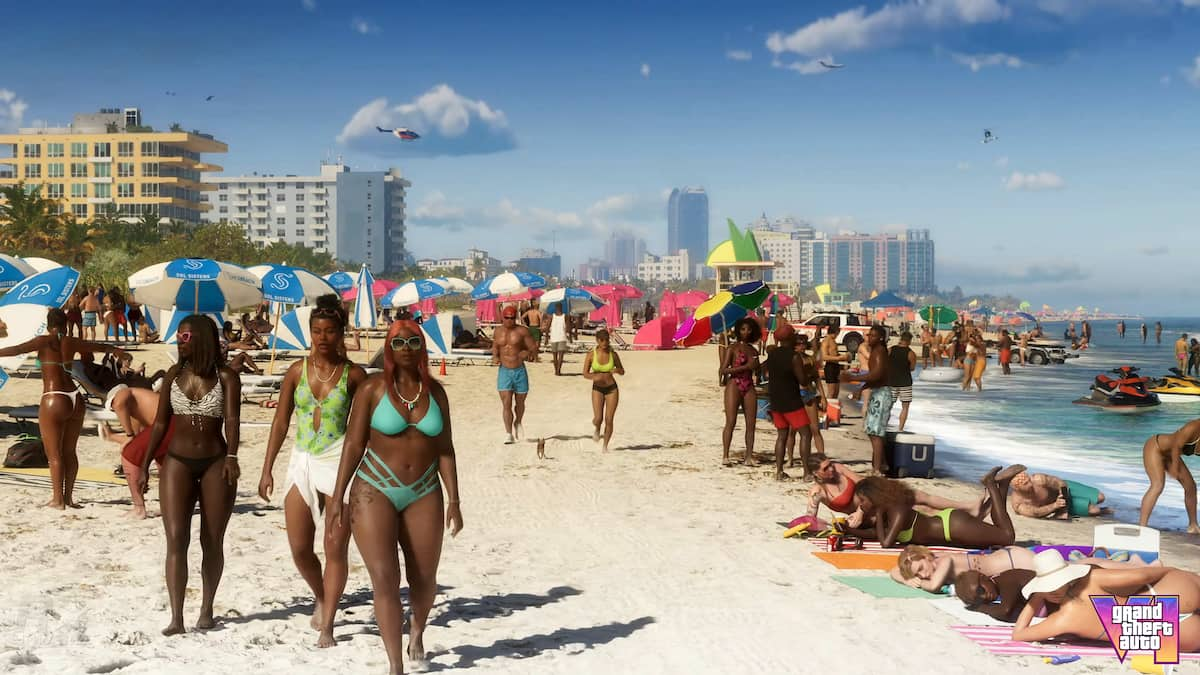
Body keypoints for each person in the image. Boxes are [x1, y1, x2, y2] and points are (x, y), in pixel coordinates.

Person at [328, 320, 463, 673]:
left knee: (425, 579)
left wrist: (455, 501)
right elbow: (354, 444)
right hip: (374, 487)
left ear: (423, 347)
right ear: (389, 348)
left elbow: (445, 449)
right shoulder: (372, 389)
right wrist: (338, 496)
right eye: (398, 342)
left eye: (413, 341)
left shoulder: (436, 393)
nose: (406, 347)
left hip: (424, 489)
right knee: (385, 577)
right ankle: (395, 664)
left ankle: (417, 629)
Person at [258, 295, 368, 646]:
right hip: (302, 458)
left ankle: (328, 623)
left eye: (330, 331)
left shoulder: (354, 375)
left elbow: (366, 426)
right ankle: (321, 595)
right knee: (299, 547)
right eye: (317, 331)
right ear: (310, 333)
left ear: (340, 334)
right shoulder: (295, 371)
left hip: (339, 460)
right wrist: (267, 468)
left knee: (334, 546)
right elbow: (280, 420)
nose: (322, 337)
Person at [137, 315, 241, 635]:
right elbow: (158, 424)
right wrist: (142, 464)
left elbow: (233, 421)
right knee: (176, 539)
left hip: (215, 461)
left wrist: (233, 457)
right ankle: (176, 617)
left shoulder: (226, 377)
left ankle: (207, 607)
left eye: (184, 337)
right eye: (178, 337)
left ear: (202, 339)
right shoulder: (172, 375)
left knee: (211, 540)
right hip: (177, 461)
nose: (179, 342)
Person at [0, 308, 127, 508]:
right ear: (66, 325)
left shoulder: (43, 341)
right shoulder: (72, 341)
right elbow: (99, 346)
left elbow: (16, 350)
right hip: (76, 399)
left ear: (49, 324)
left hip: (54, 397)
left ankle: (58, 500)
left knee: (54, 455)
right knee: (70, 452)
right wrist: (117, 351)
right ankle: (68, 498)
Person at [1014, 552, 1200, 652]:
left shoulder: (1061, 620)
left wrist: (1037, 597)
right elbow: (1142, 575)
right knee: (1180, 580)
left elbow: (1018, 634)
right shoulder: (1093, 579)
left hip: (1164, 633)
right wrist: (1170, 571)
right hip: (1165, 595)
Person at [850, 465, 1024, 553]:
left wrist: (878, 514)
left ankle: (992, 485)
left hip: (953, 526)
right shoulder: (890, 511)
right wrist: (849, 531)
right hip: (952, 530)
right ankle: (1003, 484)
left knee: (1007, 537)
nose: (861, 506)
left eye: (863, 501)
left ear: (874, 497)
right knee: (1000, 539)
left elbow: (886, 543)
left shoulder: (896, 509)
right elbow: (876, 534)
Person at [897, 540, 1141, 594]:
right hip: (1009, 560)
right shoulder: (936, 563)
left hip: (1014, 561)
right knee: (1073, 566)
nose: (923, 574)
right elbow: (892, 570)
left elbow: (934, 585)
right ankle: (1125, 566)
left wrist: (911, 581)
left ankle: (1132, 566)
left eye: (921, 568)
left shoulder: (944, 562)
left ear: (927, 557)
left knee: (1073, 567)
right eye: (918, 573)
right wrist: (906, 577)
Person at [807, 455, 985, 527]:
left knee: (920, 496)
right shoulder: (818, 491)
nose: (831, 469)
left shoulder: (838, 468)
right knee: (921, 511)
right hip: (866, 515)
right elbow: (810, 519)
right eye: (825, 468)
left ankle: (967, 507)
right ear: (816, 473)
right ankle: (966, 521)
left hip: (869, 498)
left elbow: (862, 481)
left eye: (830, 465)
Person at [841, 326, 892, 475]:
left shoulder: (879, 352)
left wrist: (853, 378)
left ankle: (877, 468)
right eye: (869, 335)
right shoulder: (877, 351)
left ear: (881, 338)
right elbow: (877, 377)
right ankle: (882, 464)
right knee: (873, 431)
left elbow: (876, 374)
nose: (870, 338)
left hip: (882, 394)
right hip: (878, 392)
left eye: (874, 336)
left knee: (875, 432)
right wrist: (860, 389)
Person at [1139, 420, 1200, 533]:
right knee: (1157, 485)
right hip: (1156, 447)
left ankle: (1193, 526)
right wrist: (1175, 468)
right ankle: (1142, 528)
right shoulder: (1194, 426)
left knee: (1191, 487)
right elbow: (1176, 446)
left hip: (1172, 455)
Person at [765, 324, 808, 481]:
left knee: (781, 436)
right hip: (791, 400)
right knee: (805, 434)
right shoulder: (794, 356)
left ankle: (779, 471)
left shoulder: (772, 354)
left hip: (776, 400)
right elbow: (802, 380)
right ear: (792, 338)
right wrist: (808, 374)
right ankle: (807, 472)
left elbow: (766, 372)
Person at [719, 318, 761, 467]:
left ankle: (749, 456)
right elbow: (723, 370)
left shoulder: (753, 350)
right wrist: (745, 367)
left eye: (749, 330)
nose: (746, 332)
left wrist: (758, 367)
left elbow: (758, 373)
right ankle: (725, 455)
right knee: (731, 421)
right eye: (743, 329)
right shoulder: (732, 348)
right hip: (734, 384)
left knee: (751, 424)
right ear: (738, 331)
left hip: (749, 386)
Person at [492, 305, 536, 443]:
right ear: (502, 317)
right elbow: (495, 346)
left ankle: (518, 422)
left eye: (512, 318)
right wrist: (495, 356)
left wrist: (527, 353)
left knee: (520, 402)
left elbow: (534, 348)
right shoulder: (497, 331)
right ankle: (508, 433)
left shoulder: (522, 331)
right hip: (504, 371)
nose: (509, 320)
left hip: (519, 370)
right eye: (507, 318)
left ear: (515, 317)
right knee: (506, 403)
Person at [584, 329, 625, 452]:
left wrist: (617, 370)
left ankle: (605, 446)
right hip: (597, 388)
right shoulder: (591, 355)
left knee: (609, 419)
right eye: (602, 340)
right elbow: (585, 373)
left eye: (607, 340)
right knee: (598, 418)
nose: (605, 342)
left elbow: (622, 371)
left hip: (612, 389)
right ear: (597, 341)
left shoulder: (613, 354)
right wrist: (593, 376)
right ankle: (597, 428)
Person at [1009, 470, 1110, 519]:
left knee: (1101, 497)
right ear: (1017, 489)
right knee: (1094, 510)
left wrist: (1063, 506)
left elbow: (1060, 483)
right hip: (1057, 503)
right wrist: (1055, 506)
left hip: (1065, 489)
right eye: (1026, 484)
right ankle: (1105, 511)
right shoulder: (1019, 504)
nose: (1030, 483)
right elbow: (1036, 513)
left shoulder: (1039, 479)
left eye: (1028, 479)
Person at [953, 569, 1037, 623]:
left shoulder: (1007, 580)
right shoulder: (997, 584)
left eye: (980, 590)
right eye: (978, 599)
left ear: (984, 577)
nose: (984, 597)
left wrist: (978, 608)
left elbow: (1004, 611)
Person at [793, 334, 826, 463]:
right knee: (793, 430)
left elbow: (816, 378)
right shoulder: (792, 359)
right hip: (795, 394)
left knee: (814, 428)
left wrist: (823, 397)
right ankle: (790, 458)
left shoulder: (809, 360)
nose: (801, 346)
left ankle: (822, 457)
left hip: (809, 393)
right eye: (798, 344)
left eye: (803, 344)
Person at [887, 331, 916, 432]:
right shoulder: (911, 353)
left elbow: (884, 361)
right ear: (909, 341)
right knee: (905, 407)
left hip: (891, 381)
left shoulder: (891, 349)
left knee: (888, 405)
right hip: (905, 382)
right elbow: (912, 368)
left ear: (901, 339)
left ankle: (884, 425)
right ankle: (900, 428)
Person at [821, 328, 847, 401]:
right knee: (831, 392)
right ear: (835, 332)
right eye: (838, 333)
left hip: (836, 366)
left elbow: (834, 353)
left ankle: (833, 410)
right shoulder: (826, 341)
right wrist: (839, 358)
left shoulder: (833, 341)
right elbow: (824, 357)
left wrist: (844, 357)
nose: (837, 335)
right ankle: (827, 409)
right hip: (830, 367)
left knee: (836, 391)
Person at [547, 303, 569, 376]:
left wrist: (546, 338)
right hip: (561, 337)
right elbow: (568, 327)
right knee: (560, 356)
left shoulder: (552, 316)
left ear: (555, 307)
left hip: (554, 337)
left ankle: (557, 370)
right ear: (561, 307)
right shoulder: (565, 316)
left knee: (555, 356)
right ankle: (558, 370)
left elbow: (547, 327)